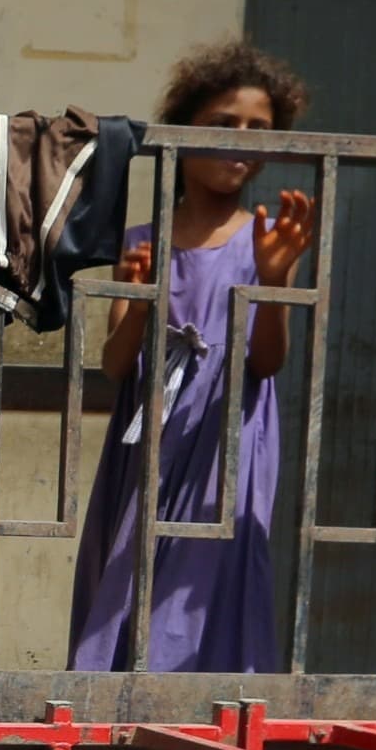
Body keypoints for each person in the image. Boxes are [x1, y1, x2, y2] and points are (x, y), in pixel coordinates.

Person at [65, 40, 318, 672]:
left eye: (259, 130)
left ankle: (206, 727)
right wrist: (144, 301)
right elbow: (116, 364)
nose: (241, 140)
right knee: (131, 571)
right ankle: (114, 723)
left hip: (227, 437)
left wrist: (275, 280)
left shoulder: (265, 242)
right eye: (224, 123)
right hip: (151, 436)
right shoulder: (143, 240)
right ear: (183, 131)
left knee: (206, 580)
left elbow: (267, 362)